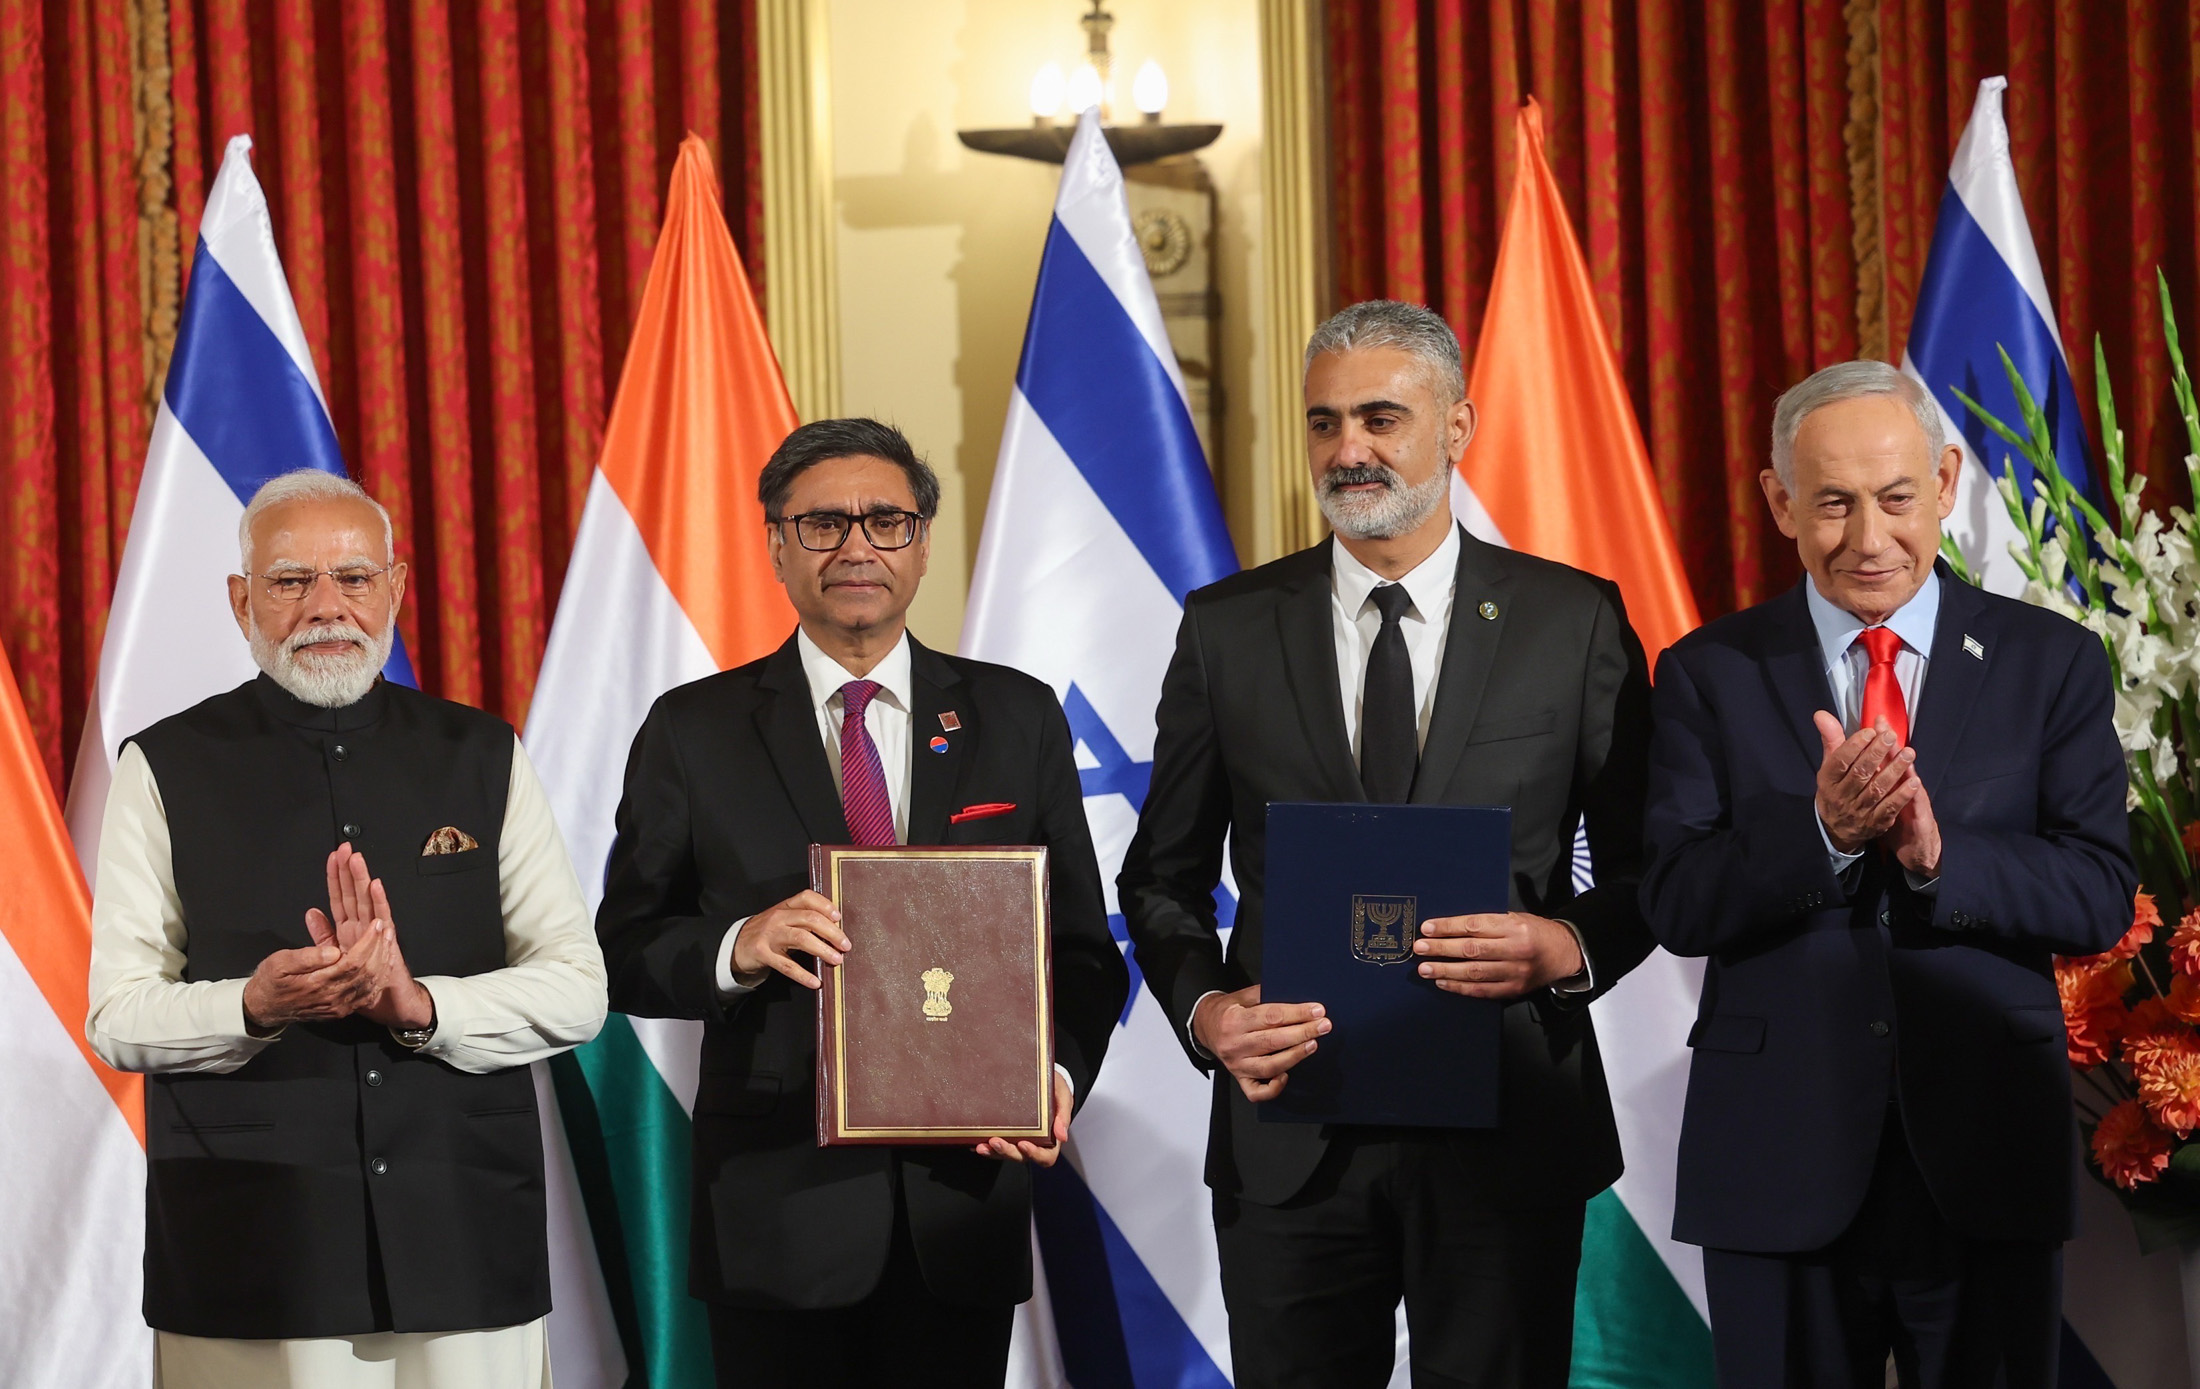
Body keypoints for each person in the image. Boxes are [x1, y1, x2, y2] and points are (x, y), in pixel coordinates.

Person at [1119, 300, 1655, 1388]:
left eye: (1379, 418)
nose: (1348, 449)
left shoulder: (1574, 621)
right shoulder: (1226, 627)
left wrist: (1565, 947)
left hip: (1506, 1126)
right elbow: (1161, 877)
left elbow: (1655, 865)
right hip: (1292, 1138)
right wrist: (1207, 1011)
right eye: (1323, 423)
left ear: (1456, 427)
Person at [596, 417, 1127, 1388]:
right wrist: (736, 945)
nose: (856, 547)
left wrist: (1051, 1072)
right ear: (776, 546)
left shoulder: (1015, 716)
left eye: (886, 521)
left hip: (961, 1200)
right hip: (777, 1207)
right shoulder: (692, 730)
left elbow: (1084, 950)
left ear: (922, 544)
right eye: (822, 524)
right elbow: (623, 949)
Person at [1641, 360, 2137, 1388]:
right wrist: (1820, 834)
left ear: (1946, 483)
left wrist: (1939, 858)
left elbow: (2096, 894)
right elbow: (1676, 901)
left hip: (1986, 1152)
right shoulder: (1707, 671)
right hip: (1776, 1160)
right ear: (1781, 502)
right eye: (1832, 503)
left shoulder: (2052, 662)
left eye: (1897, 497)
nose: (1868, 538)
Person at [85, 469, 608, 1389]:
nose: (326, 606)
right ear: (241, 600)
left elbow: (579, 990)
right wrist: (253, 1004)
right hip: (254, 1246)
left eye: (355, 577)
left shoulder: (483, 753)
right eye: (291, 580)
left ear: (395, 589)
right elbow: (117, 1014)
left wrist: (421, 1005)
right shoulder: (162, 765)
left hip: (464, 1235)